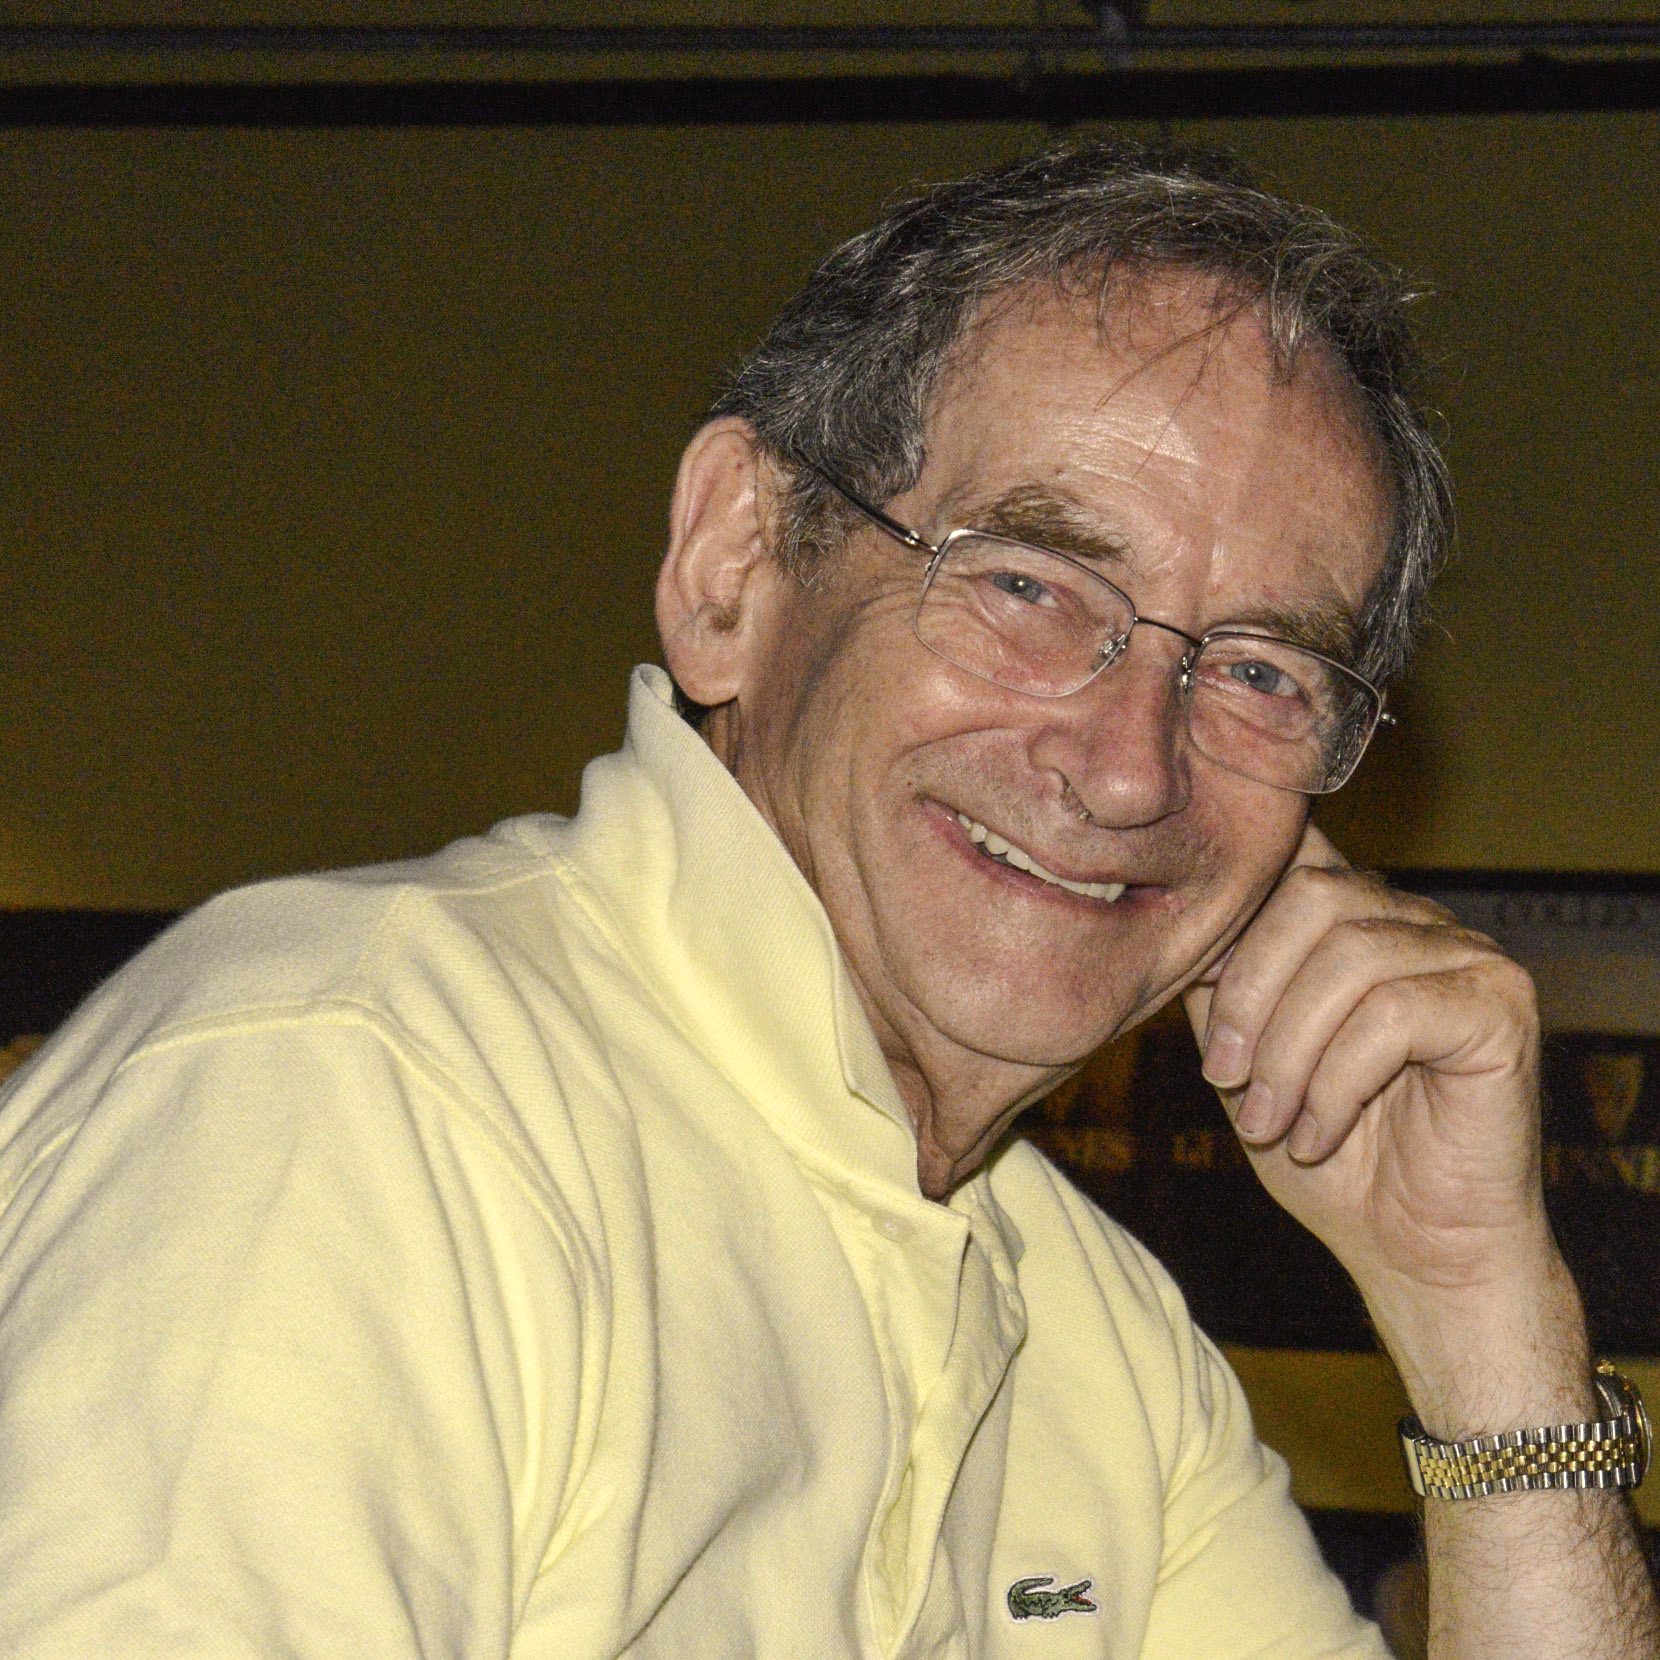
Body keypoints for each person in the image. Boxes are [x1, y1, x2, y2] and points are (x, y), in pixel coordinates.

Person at [0, 141, 1653, 1659]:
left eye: (1261, 672)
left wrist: (1483, 1316)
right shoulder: (355, 1097)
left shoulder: (1095, 1335)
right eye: (1028, 583)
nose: (1130, 768)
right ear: (735, 564)